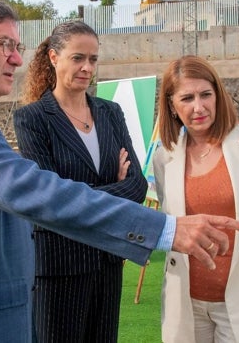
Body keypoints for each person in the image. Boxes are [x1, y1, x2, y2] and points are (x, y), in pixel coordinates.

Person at [0, 0, 239, 343]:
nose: (17, 60)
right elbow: (36, 190)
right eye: (5, 45)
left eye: (17, 48)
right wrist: (164, 228)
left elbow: (100, 186)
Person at [13, 21, 144, 342]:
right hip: (59, 266)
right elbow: (47, 200)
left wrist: (78, 194)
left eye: (94, 59)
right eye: (78, 58)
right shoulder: (32, 119)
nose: (87, 67)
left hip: (108, 259)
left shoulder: (111, 113)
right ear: (54, 57)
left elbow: (138, 186)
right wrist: (115, 189)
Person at [153, 55, 239, 343]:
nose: (199, 106)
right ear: (172, 105)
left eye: (206, 94)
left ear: (217, 94)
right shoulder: (164, 156)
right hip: (188, 301)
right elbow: (173, 226)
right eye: (187, 98)